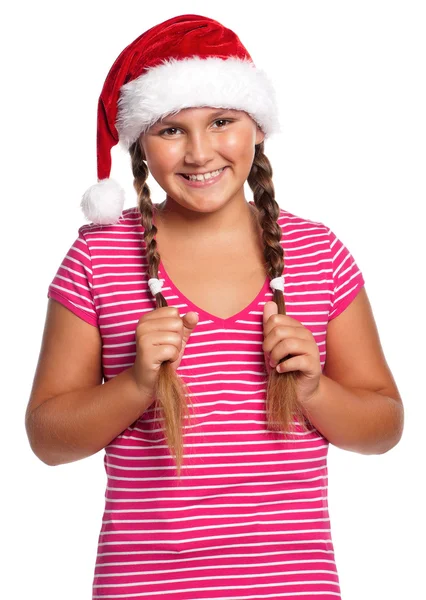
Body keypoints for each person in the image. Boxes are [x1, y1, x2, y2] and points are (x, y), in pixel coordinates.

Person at [25, 13, 404, 600]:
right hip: (144, 585)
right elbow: (48, 438)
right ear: (139, 145)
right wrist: (135, 382)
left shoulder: (317, 253)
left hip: (292, 585)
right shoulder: (99, 258)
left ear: (256, 127)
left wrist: (314, 391)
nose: (199, 152)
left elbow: (384, 428)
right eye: (170, 130)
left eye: (221, 121)